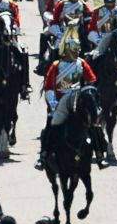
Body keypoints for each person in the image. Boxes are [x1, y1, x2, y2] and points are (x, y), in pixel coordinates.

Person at [36, 33, 104, 170]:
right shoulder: (56, 66)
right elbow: (49, 86)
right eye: (74, 49)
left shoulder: (82, 64)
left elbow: (91, 80)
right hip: (61, 101)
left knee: (93, 123)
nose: (77, 52)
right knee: (52, 122)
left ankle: (99, 154)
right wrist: (52, 101)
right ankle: (43, 156)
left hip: (78, 99)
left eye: (77, 49)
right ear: (66, 50)